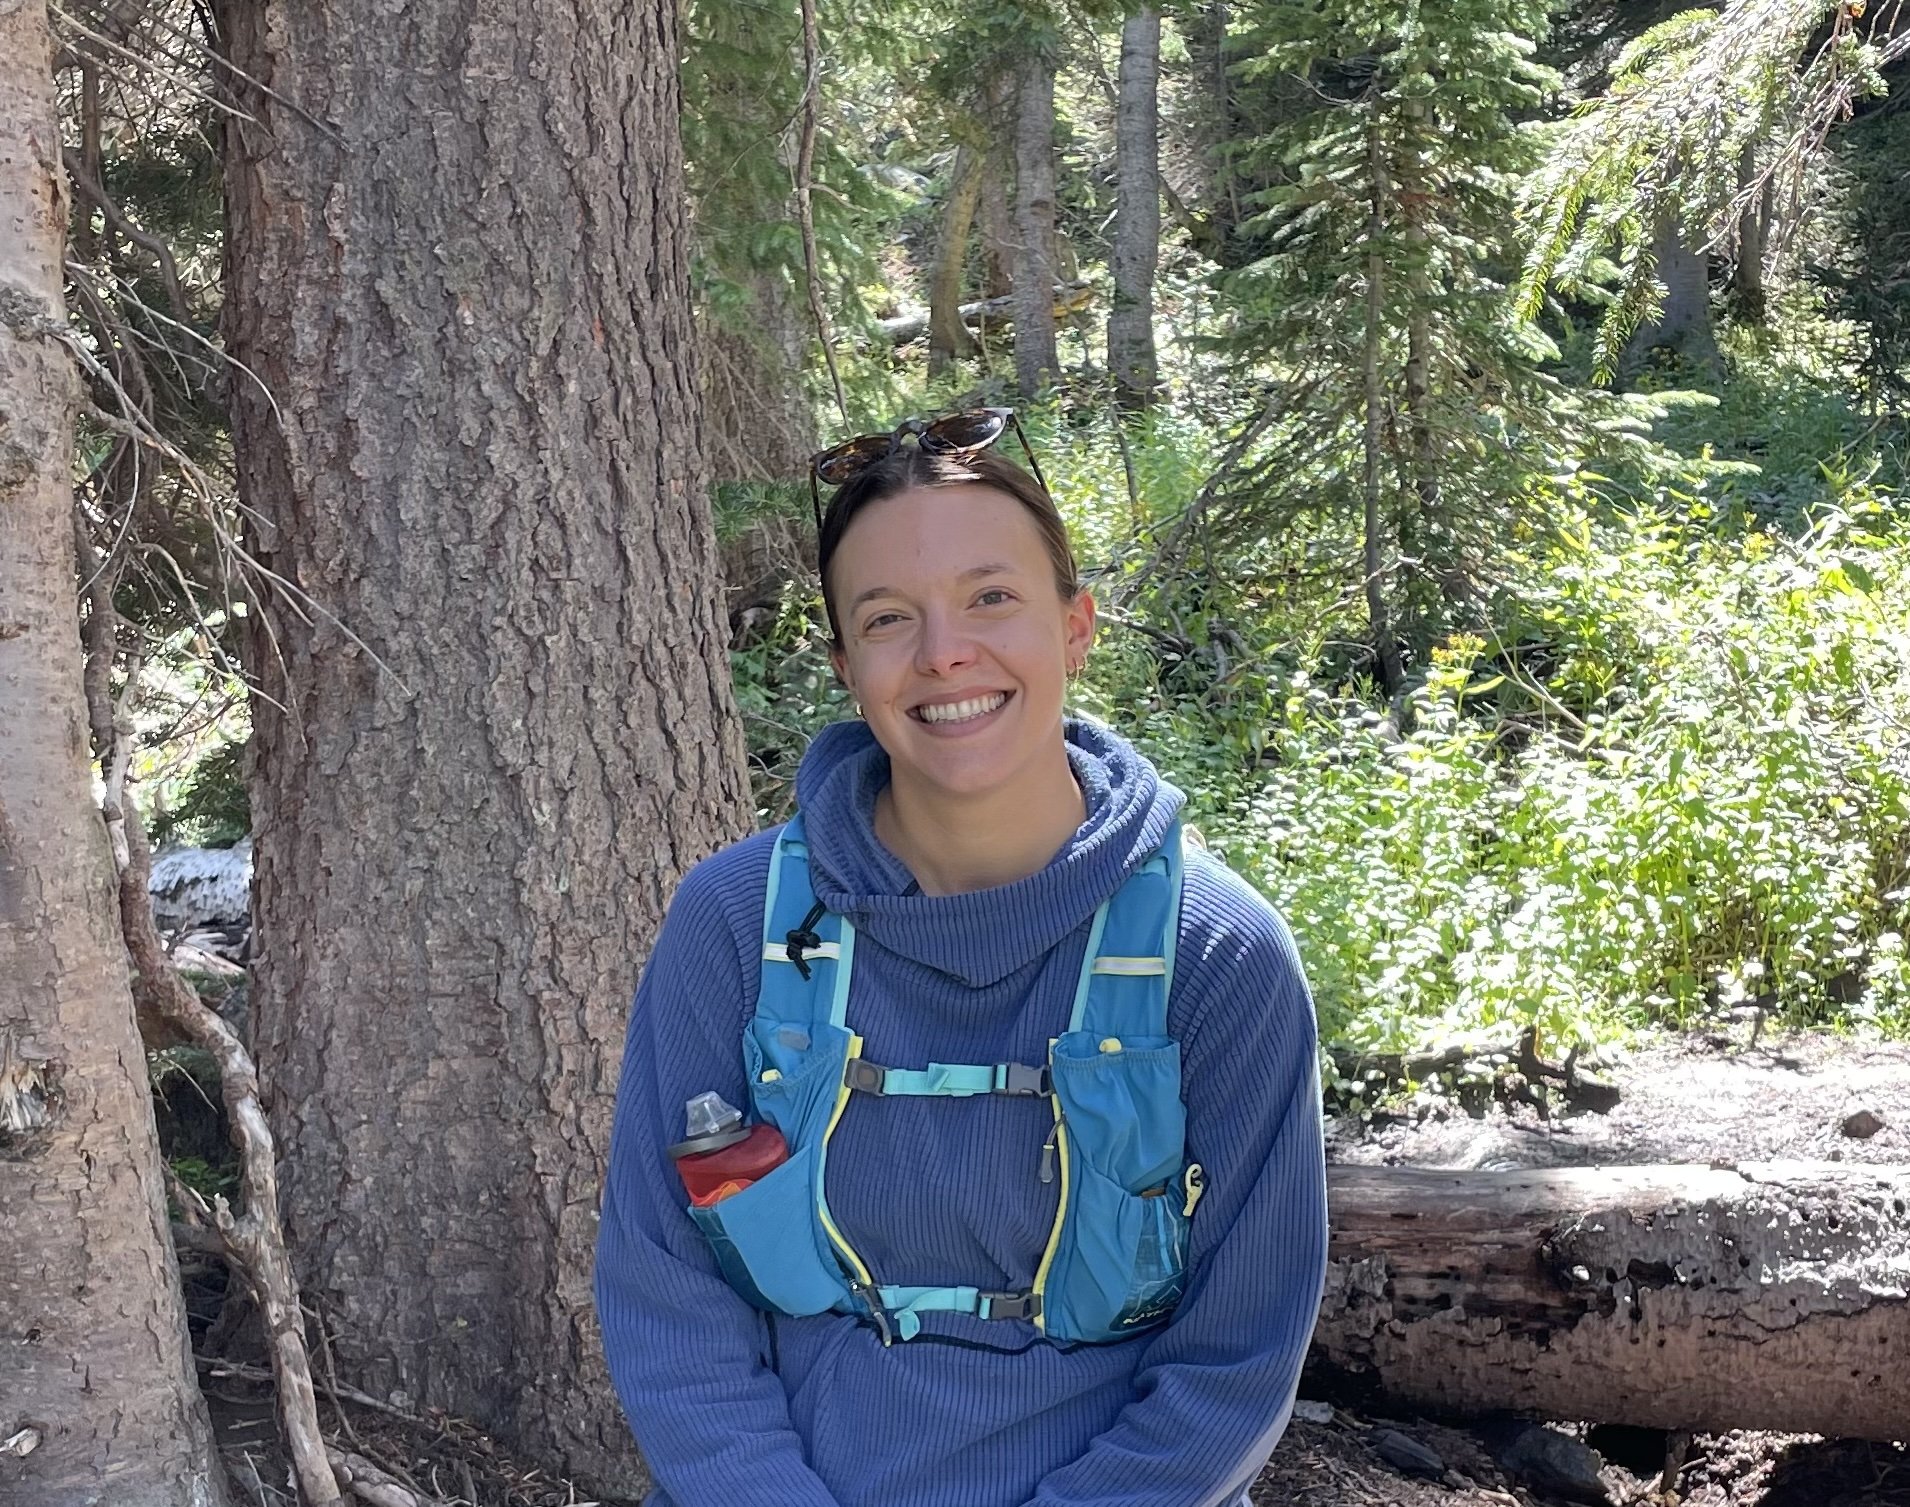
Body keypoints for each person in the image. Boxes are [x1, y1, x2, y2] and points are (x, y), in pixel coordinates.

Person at [594, 408, 1327, 1507]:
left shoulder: (1215, 955)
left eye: (991, 597)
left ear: (1074, 625)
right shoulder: (735, 922)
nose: (944, 653)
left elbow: (1232, 1364)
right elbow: (665, 1292)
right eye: (888, 618)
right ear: (845, 663)